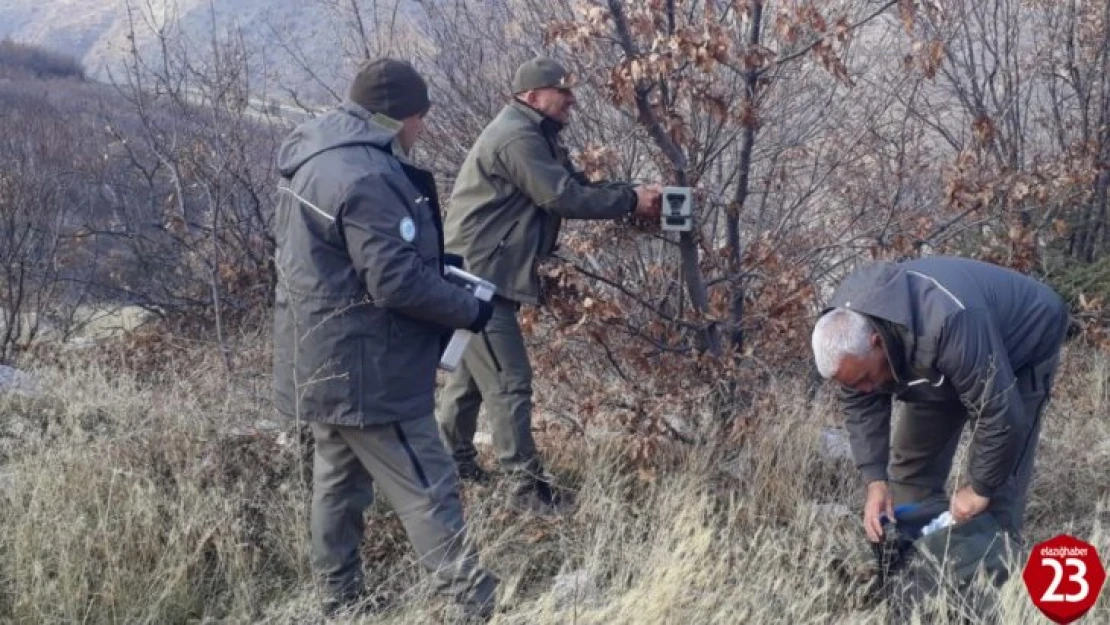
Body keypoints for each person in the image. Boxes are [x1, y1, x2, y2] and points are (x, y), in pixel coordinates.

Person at [272, 57, 498, 620]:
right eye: (421, 118)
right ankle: (474, 603)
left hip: (319, 358)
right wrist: (468, 308)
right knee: (428, 484)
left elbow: (344, 265)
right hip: (370, 368)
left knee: (338, 484)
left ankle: (340, 600)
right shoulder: (369, 175)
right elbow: (394, 280)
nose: (422, 130)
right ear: (399, 117)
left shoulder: (315, 158)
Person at [434, 56, 663, 513]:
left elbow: (574, 184)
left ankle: (449, 468)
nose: (572, 99)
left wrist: (630, 191)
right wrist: (631, 201)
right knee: (509, 380)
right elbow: (563, 197)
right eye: (563, 92)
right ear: (533, 96)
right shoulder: (518, 136)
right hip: (479, 280)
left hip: (474, 274)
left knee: (472, 380)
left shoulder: (534, 132)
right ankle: (526, 491)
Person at [811, 255, 1070, 547]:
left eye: (866, 378)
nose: (866, 389)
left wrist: (978, 490)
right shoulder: (849, 342)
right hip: (940, 356)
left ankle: (992, 567)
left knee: (997, 484)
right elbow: (860, 406)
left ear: (876, 341)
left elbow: (1000, 416)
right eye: (853, 384)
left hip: (1025, 337)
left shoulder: (948, 320)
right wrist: (875, 481)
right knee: (911, 467)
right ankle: (921, 558)